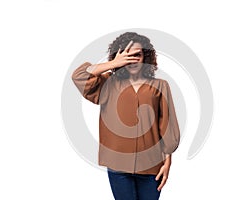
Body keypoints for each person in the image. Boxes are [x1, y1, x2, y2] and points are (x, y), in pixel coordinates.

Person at [72, 32, 180, 200]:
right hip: (117, 165)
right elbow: (79, 75)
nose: (132, 59)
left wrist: (168, 162)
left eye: (137, 54)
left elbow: (167, 124)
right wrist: (113, 64)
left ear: (146, 56)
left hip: (152, 165)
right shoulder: (107, 83)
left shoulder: (160, 86)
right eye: (126, 55)